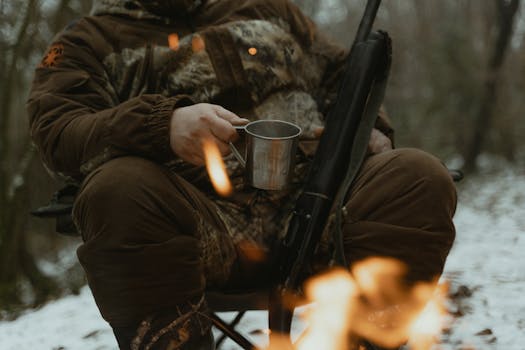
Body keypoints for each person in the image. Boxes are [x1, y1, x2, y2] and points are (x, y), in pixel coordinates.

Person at [27, 0, 457, 349]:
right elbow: (58, 132)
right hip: (199, 232)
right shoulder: (87, 43)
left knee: (417, 175)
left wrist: (372, 129)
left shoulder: (270, 10)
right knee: (116, 190)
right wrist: (162, 126)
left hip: (323, 211)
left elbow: (342, 75)